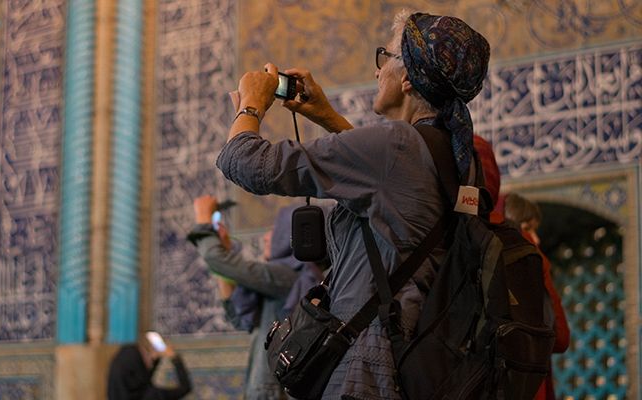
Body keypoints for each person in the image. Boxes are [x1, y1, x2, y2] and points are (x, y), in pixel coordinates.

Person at [216, 9, 490, 399]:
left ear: (409, 78)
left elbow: (244, 163)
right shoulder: (456, 155)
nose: (378, 72)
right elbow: (392, 190)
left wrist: (250, 105)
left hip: (368, 370)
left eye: (386, 58)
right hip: (414, 359)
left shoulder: (395, 145)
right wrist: (328, 117)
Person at [188, 195, 323, 399]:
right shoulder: (283, 283)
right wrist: (223, 251)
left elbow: (216, 260)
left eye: (274, 232)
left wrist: (204, 219)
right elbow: (236, 316)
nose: (267, 237)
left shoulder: (291, 278)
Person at [501, 192, 571, 400]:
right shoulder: (529, 256)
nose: (537, 238)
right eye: (529, 228)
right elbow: (561, 338)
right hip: (528, 376)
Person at [107, 334, 192, 400]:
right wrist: (174, 358)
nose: (150, 359)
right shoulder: (153, 396)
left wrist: (155, 359)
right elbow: (185, 388)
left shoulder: (115, 392)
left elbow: (143, 379)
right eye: (145, 355)